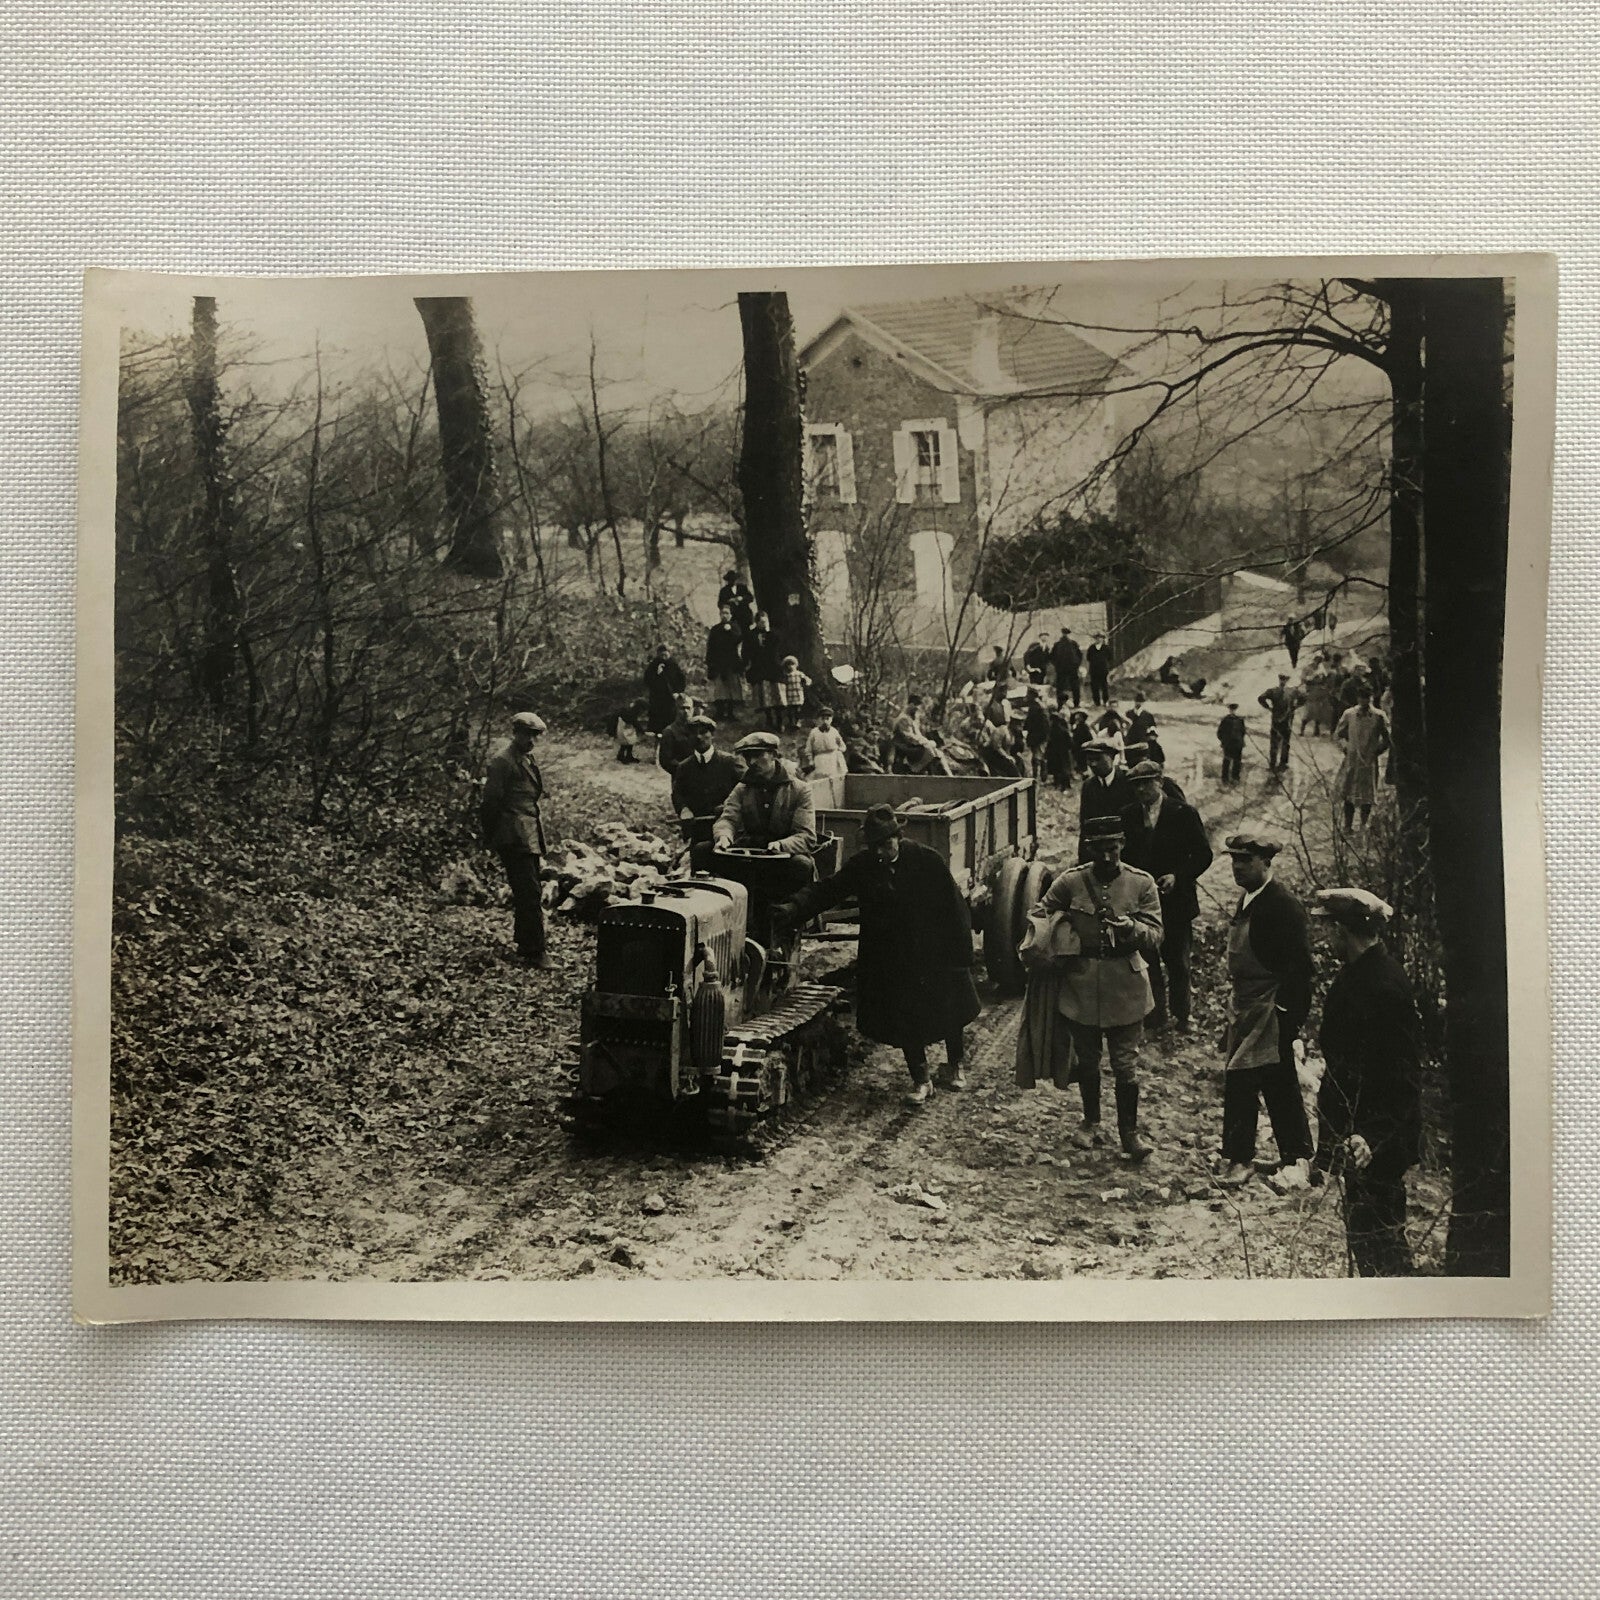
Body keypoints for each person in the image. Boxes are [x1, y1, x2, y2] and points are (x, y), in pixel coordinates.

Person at [776, 804, 981, 1106]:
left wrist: (960, 953)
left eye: (886, 845)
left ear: (898, 837)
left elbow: (955, 908)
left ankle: (955, 1066)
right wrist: (793, 907)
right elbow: (829, 890)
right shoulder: (864, 865)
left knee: (949, 1008)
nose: (881, 852)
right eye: (876, 847)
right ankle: (922, 1080)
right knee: (905, 1017)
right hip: (894, 957)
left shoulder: (927, 860)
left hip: (932, 951)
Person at [1028, 814, 1163, 1157]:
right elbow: (1040, 914)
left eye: (1113, 848)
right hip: (1082, 985)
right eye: (1100, 848)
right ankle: (1091, 1122)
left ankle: (1129, 1134)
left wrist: (1132, 928)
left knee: (1125, 1065)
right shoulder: (1070, 882)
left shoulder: (1142, 883)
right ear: (1089, 848)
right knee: (1088, 1061)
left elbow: (1156, 935)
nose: (1107, 856)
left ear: (1122, 845)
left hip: (1127, 985)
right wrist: (1063, 937)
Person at [1309, 888, 1424, 1276]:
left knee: (1383, 1245)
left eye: (1327, 927)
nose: (1324, 936)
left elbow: (1401, 1077)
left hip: (1376, 1142)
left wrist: (1372, 1137)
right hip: (1358, 1136)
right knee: (1365, 1240)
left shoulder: (1383, 986)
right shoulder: (1358, 974)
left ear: (1343, 930)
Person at [1217, 832, 1316, 1189]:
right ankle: (1296, 1154)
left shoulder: (1282, 906)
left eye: (1246, 861)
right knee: (1278, 1078)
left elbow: (1302, 970)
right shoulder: (1248, 899)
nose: (1237, 867)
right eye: (1234, 860)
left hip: (1270, 1007)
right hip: (1245, 1005)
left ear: (1266, 862)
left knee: (1242, 1077)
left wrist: (1288, 1017)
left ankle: (1241, 1158)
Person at [1120, 761, 1213, 1033]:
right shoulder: (1128, 816)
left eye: (1146, 783)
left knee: (1178, 963)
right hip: (1142, 904)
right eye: (1136, 785)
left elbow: (1203, 854)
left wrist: (1178, 876)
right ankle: (1155, 1015)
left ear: (1160, 782)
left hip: (1176, 903)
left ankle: (1183, 1015)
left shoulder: (1183, 813)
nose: (1141, 790)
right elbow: (1122, 856)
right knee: (1147, 961)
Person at [479, 711, 551, 970]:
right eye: (527, 735)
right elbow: (490, 803)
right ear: (516, 733)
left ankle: (526, 944)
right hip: (512, 836)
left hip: (529, 834)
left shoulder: (527, 759)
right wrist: (493, 838)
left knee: (530, 891)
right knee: (529, 893)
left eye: (535, 736)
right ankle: (535, 951)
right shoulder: (502, 762)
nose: (531, 740)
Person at [713, 732, 816, 858]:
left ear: (774, 755)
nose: (751, 762)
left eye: (757, 755)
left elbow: (806, 836)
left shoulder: (800, 790)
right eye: (747, 757)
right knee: (702, 849)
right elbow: (728, 819)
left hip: (784, 856)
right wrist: (724, 837)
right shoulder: (742, 788)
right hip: (749, 853)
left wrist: (781, 845)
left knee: (801, 864)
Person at [671, 714, 744, 869]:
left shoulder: (729, 762)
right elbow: (677, 794)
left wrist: (729, 806)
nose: (699, 737)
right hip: (698, 829)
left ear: (712, 735)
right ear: (688, 738)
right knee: (698, 864)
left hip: (729, 830)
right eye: (693, 733)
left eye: (703, 732)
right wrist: (684, 809)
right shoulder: (684, 767)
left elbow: (745, 789)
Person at [1334, 681, 1391, 831]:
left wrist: (1376, 751)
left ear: (1371, 698)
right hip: (1352, 760)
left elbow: (1388, 739)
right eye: (1361, 698)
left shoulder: (1379, 716)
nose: (1364, 701)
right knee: (1349, 792)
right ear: (1357, 698)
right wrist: (1346, 748)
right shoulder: (1349, 714)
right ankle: (1347, 825)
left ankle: (1363, 825)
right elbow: (1338, 735)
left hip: (1369, 762)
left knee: (1367, 794)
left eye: (1367, 697)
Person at [1078, 736, 1133, 843]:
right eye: (1090, 759)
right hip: (1099, 846)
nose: (1093, 764)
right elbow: (1085, 825)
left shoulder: (1128, 781)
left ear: (1112, 757)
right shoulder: (1088, 786)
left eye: (1098, 759)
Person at [741, 612, 783, 732]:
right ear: (757, 622)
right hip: (759, 669)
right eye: (761, 622)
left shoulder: (774, 634)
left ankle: (779, 721)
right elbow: (745, 651)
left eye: (766, 622)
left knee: (777, 696)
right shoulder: (751, 635)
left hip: (774, 669)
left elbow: (778, 648)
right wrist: (746, 664)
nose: (764, 624)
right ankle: (769, 720)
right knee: (764, 697)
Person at [890, 694, 950, 775]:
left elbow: (918, 735)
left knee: (938, 753)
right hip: (904, 747)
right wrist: (925, 742)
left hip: (912, 745)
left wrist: (926, 742)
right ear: (911, 705)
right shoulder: (903, 718)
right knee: (929, 751)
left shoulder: (911, 719)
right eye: (916, 706)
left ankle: (947, 775)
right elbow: (909, 737)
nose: (917, 709)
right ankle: (917, 771)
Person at [704, 605, 746, 721]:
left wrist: (730, 631)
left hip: (731, 662)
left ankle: (731, 713)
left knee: (732, 688)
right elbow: (711, 646)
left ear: (731, 615)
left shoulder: (735, 627)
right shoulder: (715, 629)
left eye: (727, 613)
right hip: (718, 662)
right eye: (723, 613)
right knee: (720, 689)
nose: (724, 615)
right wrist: (710, 662)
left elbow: (738, 640)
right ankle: (720, 713)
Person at [1257, 672, 1299, 773]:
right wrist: (1294, 707)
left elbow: (1261, 698)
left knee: (1279, 742)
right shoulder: (1290, 691)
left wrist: (1269, 708)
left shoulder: (1276, 691)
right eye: (1282, 679)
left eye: (1283, 679)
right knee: (1281, 742)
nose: (1283, 681)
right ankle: (1279, 764)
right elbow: (1261, 698)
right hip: (1283, 720)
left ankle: (1277, 764)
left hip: (1281, 720)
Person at [643, 643, 687, 734]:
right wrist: (657, 674)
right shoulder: (654, 665)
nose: (663, 657)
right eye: (661, 655)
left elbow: (681, 679)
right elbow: (647, 679)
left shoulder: (673, 664)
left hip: (671, 696)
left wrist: (678, 692)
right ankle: (655, 733)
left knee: (670, 715)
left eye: (665, 654)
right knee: (656, 716)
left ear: (669, 653)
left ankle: (669, 733)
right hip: (657, 696)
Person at [655, 694, 698, 773]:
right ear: (676, 709)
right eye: (682, 708)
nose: (686, 711)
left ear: (692, 710)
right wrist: (683, 769)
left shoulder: (697, 729)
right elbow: (666, 761)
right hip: (681, 775)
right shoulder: (669, 731)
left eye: (688, 708)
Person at [803, 708, 848, 781]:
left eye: (827, 719)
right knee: (821, 779)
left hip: (833, 759)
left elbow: (843, 746)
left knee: (835, 778)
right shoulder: (814, 732)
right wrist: (810, 760)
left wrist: (837, 752)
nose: (825, 721)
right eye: (823, 719)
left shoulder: (834, 731)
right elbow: (808, 749)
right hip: (820, 759)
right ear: (818, 720)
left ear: (831, 720)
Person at [979, 708, 1023, 777]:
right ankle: (1016, 778)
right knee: (1010, 765)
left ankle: (1021, 778)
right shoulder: (1002, 730)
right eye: (1018, 723)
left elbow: (1010, 748)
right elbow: (996, 746)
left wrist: (1014, 755)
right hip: (992, 754)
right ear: (1012, 722)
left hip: (1002, 755)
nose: (1020, 725)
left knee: (1019, 761)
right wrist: (1007, 756)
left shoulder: (1014, 734)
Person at [777, 654, 812, 731]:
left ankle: (797, 722)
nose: (790, 666)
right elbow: (783, 684)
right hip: (789, 695)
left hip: (797, 694)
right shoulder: (785, 675)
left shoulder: (799, 674)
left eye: (792, 664)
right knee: (790, 710)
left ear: (796, 665)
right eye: (788, 664)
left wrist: (806, 683)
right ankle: (791, 722)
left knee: (797, 709)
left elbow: (807, 680)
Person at [1045, 705, 1077, 789]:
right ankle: (1066, 785)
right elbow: (1070, 743)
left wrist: (1047, 752)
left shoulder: (1052, 731)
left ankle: (1057, 784)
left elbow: (1049, 743)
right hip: (1064, 753)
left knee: (1056, 769)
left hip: (1055, 753)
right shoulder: (1064, 730)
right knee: (1064, 769)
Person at [1022, 688, 1052, 779]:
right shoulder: (1041, 705)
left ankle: (1037, 776)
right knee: (1040, 755)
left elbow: (1031, 722)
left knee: (1036, 757)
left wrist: (1025, 727)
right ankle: (1042, 774)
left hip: (1037, 735)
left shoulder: (1035, 707)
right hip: (1041, 735)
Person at [1050, 628, 1083, 707]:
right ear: (1062, 634)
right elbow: (1052, 656)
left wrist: (1076, 664)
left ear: (1069, 635)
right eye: (1064, 634)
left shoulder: (1073, 644)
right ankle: (1060, 703)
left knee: (1075, 686)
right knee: (1060, 687)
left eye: (1067, 634)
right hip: (1061, 669)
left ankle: (1076, 703)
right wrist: (1057, 665)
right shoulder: (1057, 645)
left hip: (1072, 669)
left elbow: (1079, 655)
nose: (1065, 635)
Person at [716, 568, 755, 632]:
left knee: (746, 633)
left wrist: (742, 598)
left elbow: (750, 598)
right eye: (730, 580)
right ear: (728, 580)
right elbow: (720, 604)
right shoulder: (724, 590)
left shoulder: (743, 588)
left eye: (734, 579)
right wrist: (729, 602)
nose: (733, 581)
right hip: (732, 618)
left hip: (744, 617)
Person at [1217, 702, 1246, 785]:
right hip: (1228, 744)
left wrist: (1241, 740)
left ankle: (1235, 777)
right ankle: (1225, 778)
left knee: (1237, 761)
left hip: (1238, 744)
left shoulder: (1240, 720)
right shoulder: (1225, 720)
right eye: (1232, 710)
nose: (1233, 711)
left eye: (1235, 710)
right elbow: (1219, 732)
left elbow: (1243, 732)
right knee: (1227, 760)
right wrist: (1223, 741)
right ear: (1229, 710)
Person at [610, 698, 646, 764]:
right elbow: (633, 721)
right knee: (626, 741)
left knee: (630, 741)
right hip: (621, 725)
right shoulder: (631, 711)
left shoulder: (631, 709)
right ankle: (621, 756)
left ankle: (628, 756)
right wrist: (641, 730)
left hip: (625, 725)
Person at [1086, 631, 1112, 706]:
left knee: (1104, 686)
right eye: (1097, 638)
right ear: (1095, 639)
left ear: (1102, 639)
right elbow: (1088, 658)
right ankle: (1096, 702)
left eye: (1100, 638)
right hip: (1094, 670)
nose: (1098, 639)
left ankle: (1105, 701)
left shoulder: (1106, 648)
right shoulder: (1091, 648)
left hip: (1103, 670)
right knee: (1095, 687)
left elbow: (1110, 657)